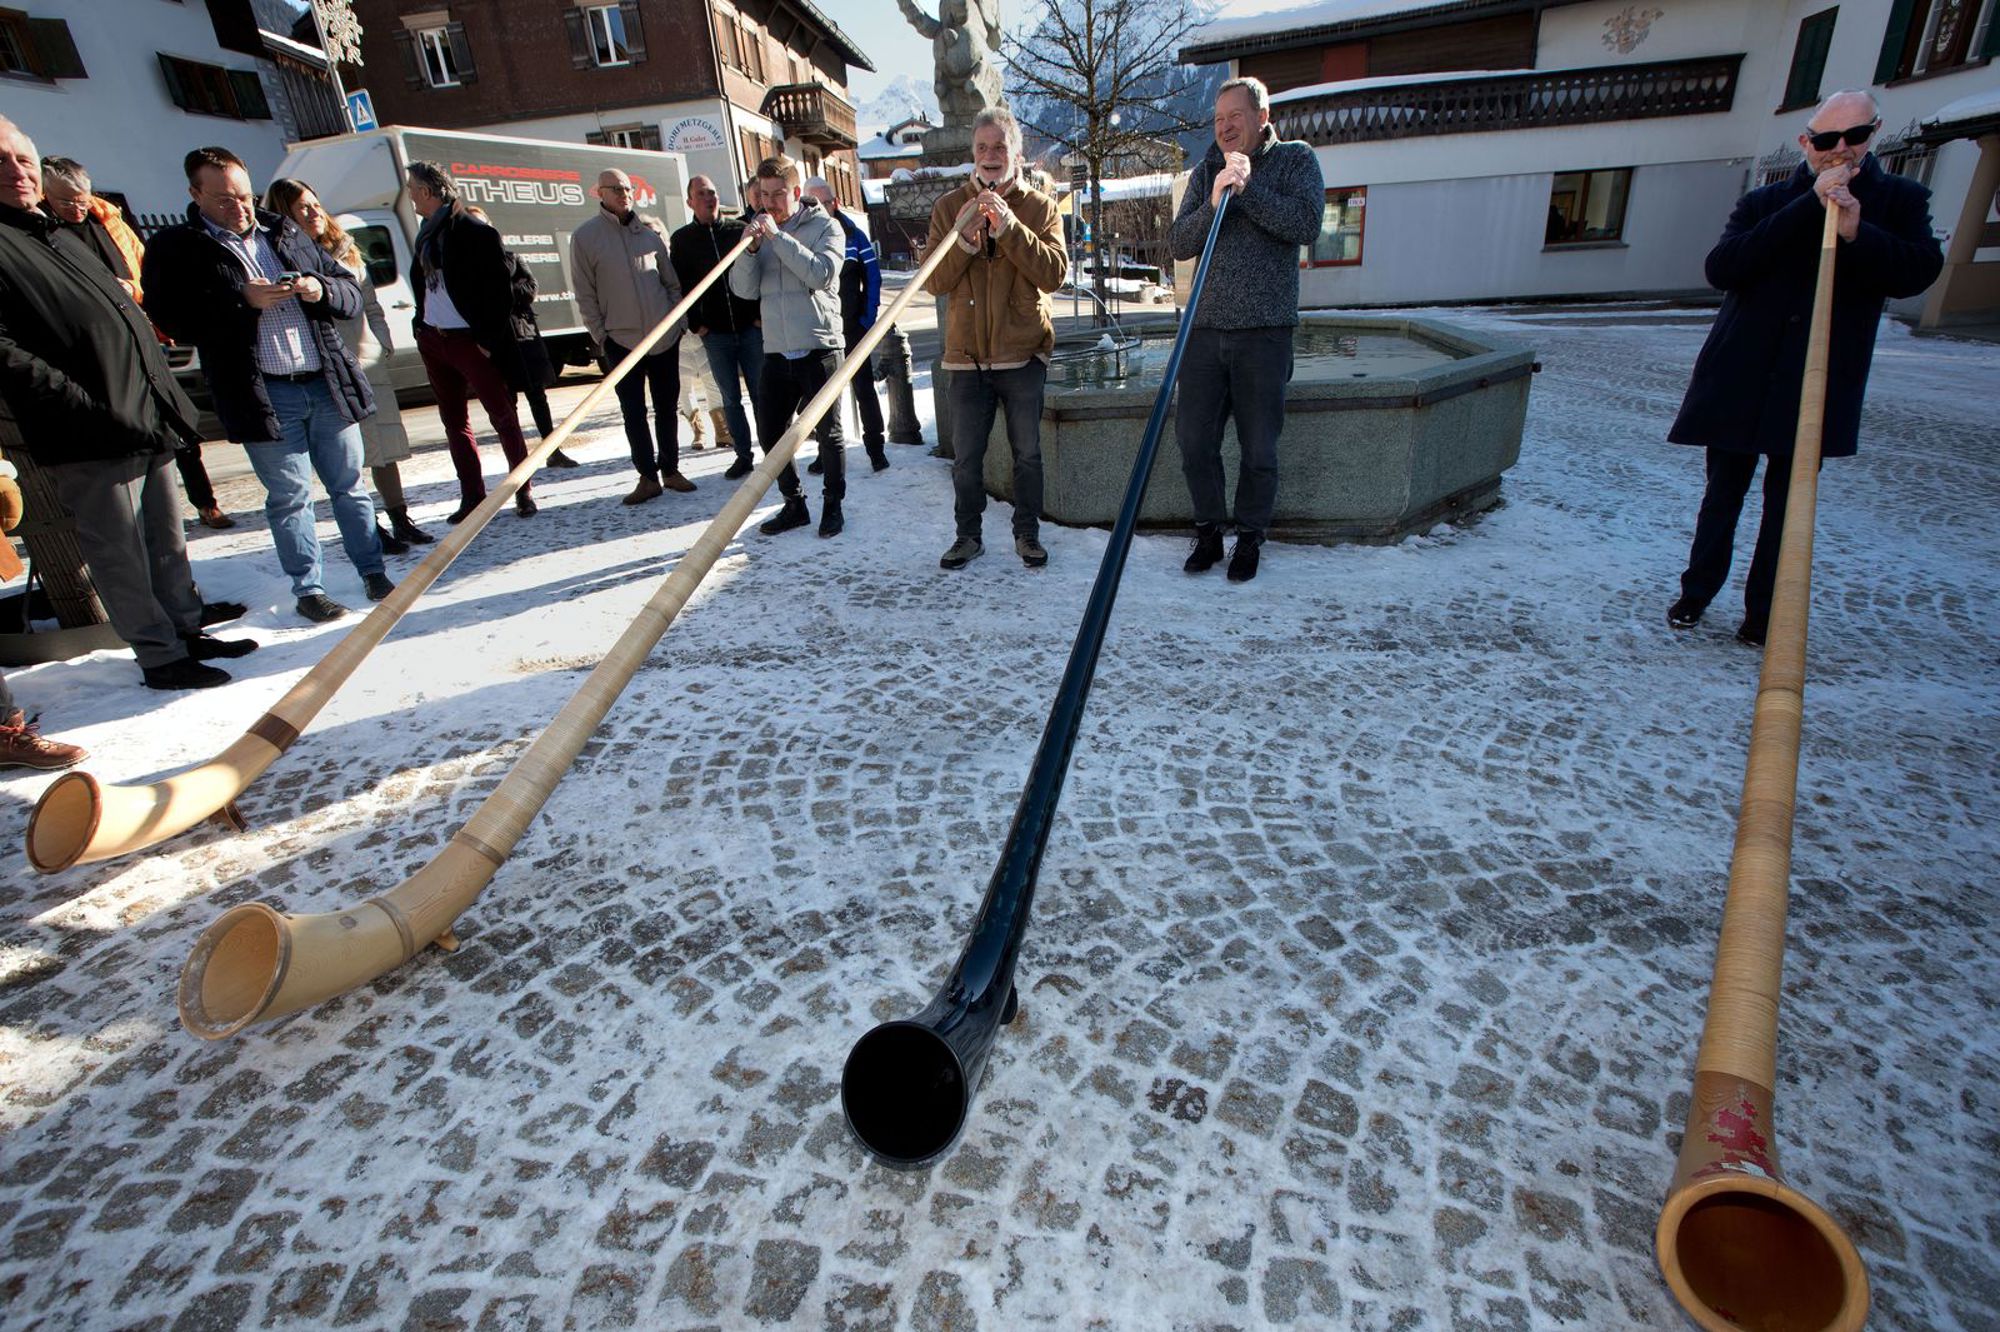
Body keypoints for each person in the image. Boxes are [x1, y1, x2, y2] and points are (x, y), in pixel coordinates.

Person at [1666, 89, 1943, 646]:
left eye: (1854, 136)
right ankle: (1696, 592)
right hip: (1742, 373)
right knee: (1722, 495)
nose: (1840, 149)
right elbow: (1723, 267)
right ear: (1805, 142)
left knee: (1788, 507)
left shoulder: (1901, 200)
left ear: (1873, 134)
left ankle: (1764, 613)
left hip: (1817, 380)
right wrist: (1807, 207)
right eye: (1826, 139)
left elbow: (1917, 271)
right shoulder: (1767, 201)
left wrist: (1857, 231)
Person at [0, 118, 253, 689]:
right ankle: (160, 657)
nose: (17, 171)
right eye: (0, 161)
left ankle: (185, 630)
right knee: (119, 551)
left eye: (23, 159)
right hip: (87, 430)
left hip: (144, 412)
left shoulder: (56, 231)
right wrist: (81, 404)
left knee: (166, 539)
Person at [144, 147, 393, 624]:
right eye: (224, 199)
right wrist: (240, 299)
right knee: (290, 498)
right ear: (195, 194)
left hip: (325, 383)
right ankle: (309, 590)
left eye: (244, 196)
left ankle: (373, 571)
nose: (239, 207)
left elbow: (347, 294)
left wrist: (319, 289)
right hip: (264, 394)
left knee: (350, 487)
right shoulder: (177, 246)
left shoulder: (284, 230)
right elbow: (171, 319)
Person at [1169, 76, 1324, 584]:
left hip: (1264, 332)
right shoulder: (1206, 170)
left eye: (1235, 116)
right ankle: (1209, 531)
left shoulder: (1296, 160)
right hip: (1204, 332)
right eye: (1218, 119)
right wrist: (1214, 202)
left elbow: (1305, 224)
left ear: (1262, 116)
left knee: (1259, 447)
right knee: (1194, 441)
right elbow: (1179, 242)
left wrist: (1248, 189)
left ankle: (1251, 536)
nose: (1225, 127)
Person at [40, 154, 234, 532]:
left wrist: (132, 290)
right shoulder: (45, 232)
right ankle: (143, 519)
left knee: (177, 426)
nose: (77, 208)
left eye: (83, 199)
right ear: (46, 195)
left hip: (142, 336)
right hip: (96, 351)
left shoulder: (108, 222)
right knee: (131, 436)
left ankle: (205, 502)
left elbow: (147, 275)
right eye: (66, 202)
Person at [925, 107, 1066, 570]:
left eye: (1000, 147)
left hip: (1023, 354)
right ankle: (967, 537)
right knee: (966, 460)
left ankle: (1027, 535)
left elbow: (1054, 274)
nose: (990, 155)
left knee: (1027, 455)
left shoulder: (1041, 207)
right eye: (982, 147)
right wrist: (964, 239)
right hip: (966, 358)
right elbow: (933, 280)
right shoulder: (949, 207)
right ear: (973, 153)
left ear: (1016, 154)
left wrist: (1009, 228)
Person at [265, 178, 434, 555]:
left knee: (384, 446)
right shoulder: (283, 256)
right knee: (348, 456)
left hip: (366, 361)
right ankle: (367, 527)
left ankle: (400, 517)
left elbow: (370, 304)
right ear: (285, 214)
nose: (313, 212)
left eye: (315, 203)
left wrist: (382, 342)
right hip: (329, 367)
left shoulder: (344, 248)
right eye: (302, 207)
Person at [404, 160, 538, 522]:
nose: (410, 195)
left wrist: (486, 342)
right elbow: (425, 286)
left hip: (470, 341)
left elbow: (500, 294)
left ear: (427, 191)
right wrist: (421, 326)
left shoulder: (475, 232)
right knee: (454, 422)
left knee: (503, 417)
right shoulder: (426, 234)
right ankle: (473, 497)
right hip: (434, 339)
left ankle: (522, 490)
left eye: (412, 188)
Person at [730, 154, 848, 537]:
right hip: (777, 350)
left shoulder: (826, 227)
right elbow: (743, 290)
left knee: (828, 434)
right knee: (770, 434)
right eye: (763, 195)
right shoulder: (758, 232)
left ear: (796, 193)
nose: (770, 203)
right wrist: (750, 251)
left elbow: (821, 274)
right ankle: (794, 503)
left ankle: (833, 505)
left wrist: (777, 239)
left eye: (778, 194)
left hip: (819, 346)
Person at [571, 168, 693, 505]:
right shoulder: (586, 238)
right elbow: (585, 294)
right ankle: (647, 477)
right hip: (621, 341)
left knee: (667, 407)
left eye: (627, 188)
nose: (624, 194)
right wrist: (602, 335)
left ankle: (671, 469)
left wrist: (678, 323)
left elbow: (671, 284)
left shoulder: (650, 237)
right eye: (615, 189)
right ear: (600, 193)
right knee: (633, 411)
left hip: (663, 338)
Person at [462, 203, 579, 470]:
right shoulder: (467, 267)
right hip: (495, 343)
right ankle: (518, 458)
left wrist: (501, 294)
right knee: (506, 404)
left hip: (524, 337)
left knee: (538, 396)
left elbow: (530, 288)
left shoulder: (512, 257)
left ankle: (553, 450)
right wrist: (503, 295)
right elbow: (475, 302)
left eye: (483, 223)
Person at [671, 174, 762, 481]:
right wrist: (696, 323)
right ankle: (743, 455)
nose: (708, 198)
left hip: (750, 329)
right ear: (690, 202)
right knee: (730, 398)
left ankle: (774, 452)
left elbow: (758, 271)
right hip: (716, 334)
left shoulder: (739, 231)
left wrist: (757, 315)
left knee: (762, 393)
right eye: (701, 193)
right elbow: (680, 286)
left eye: (712, 192)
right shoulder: (683, 240)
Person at [803, 175, 889, 475]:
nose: (818, 209)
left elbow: (873, 278)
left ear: (835, 203)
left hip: (852, 327)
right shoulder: (803, 237)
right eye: (811, 203)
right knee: (822, 397)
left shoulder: (854, 236)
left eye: (824, 203)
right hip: (818, 331)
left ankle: (876, 449)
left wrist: (867, 319)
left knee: (864, 389)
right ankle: (825, 453)